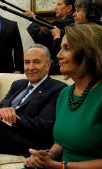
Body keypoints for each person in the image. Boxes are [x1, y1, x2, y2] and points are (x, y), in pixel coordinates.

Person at [23, 23, 102, 169]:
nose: (58, 55)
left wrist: (60, 166)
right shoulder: (65, 93)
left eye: (67, 48)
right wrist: (48, 155)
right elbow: (62, 143)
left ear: (88, 53)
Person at [25, 0, 76, 75]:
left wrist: (32, 21)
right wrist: (36, 18)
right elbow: (49, 25)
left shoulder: (61, 23)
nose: (55, 8)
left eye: (59, 5)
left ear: (69, 8)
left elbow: (40, 38)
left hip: (57, 68)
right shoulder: (69, 21)